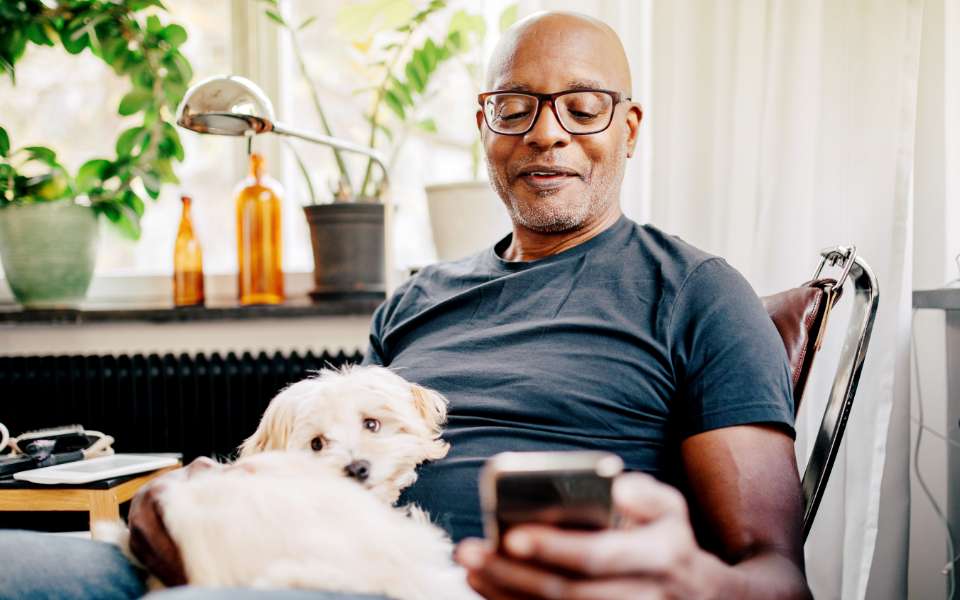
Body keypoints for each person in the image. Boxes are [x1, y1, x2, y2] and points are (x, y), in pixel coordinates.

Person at [0, 11, 810, 600]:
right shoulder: (418, 298)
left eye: (584, 105)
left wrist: (684, 580)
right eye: (515, 106)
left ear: (630, 127)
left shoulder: (699, 293)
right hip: (296, 555)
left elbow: (775, 577)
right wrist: (217, 491)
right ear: (485, 126)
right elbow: (335, 458)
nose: (546, 133)